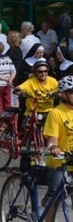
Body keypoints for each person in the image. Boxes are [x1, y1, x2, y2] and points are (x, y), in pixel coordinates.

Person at [41, 75, 73, 206]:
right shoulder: (56, 113)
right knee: (55, 200)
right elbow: (51, 141)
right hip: (60, 162)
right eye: (72, 92)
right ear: (63, 94)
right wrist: (54, 148)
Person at [16, 58, 57, 127]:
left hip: (49, 112)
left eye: (45, 71)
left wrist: (60, 94)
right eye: (40, 72)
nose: (43, 73)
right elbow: (18, 88)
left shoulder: (53, 81)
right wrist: (19, 92)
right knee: (25, 132)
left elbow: (61, 90)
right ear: (35, 73)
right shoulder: (30, 82)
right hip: (33, 112)